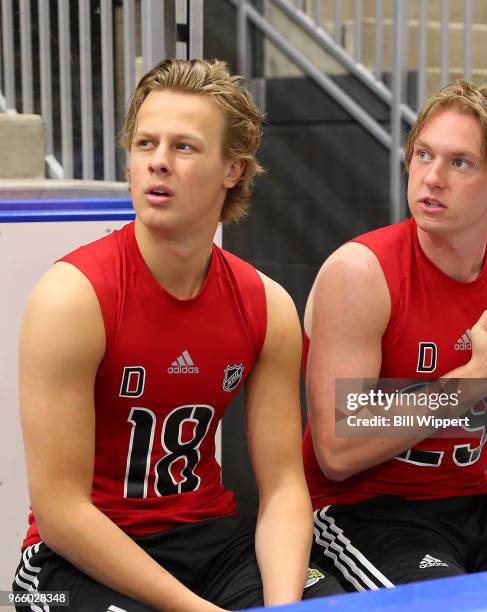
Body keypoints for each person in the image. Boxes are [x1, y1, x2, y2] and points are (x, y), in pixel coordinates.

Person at [13, 58, 341, 611]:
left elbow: (285, 487)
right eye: (145, 144)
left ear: (232, 168)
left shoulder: (267, 305)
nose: (157, 163)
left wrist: (286, 607)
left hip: (209, 543)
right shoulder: (72, 297)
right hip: (75, 557)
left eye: (184, 147)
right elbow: (61, 513)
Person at [303, 80, 487, 591]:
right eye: (423, 155)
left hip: (476, 503)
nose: (431, 178)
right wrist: (473, 380)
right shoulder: (360, 272)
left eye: (460, 163)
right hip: (364, 512)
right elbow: (337, 452)